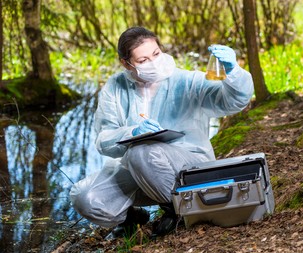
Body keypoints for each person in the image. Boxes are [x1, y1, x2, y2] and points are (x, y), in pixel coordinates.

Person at [70, 26, 254, 239]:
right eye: (143, 60)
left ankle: (179, 210)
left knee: (142, 152)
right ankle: (132, 218)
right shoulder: (115, 88)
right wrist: (132, 132)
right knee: (86, 197)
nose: (153, 63)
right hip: (137, 169)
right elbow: (104, 140)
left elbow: (232, 101)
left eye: (156, 54)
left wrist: (234, 73)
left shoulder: (187, 81)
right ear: (126, 64)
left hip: (188, 166)